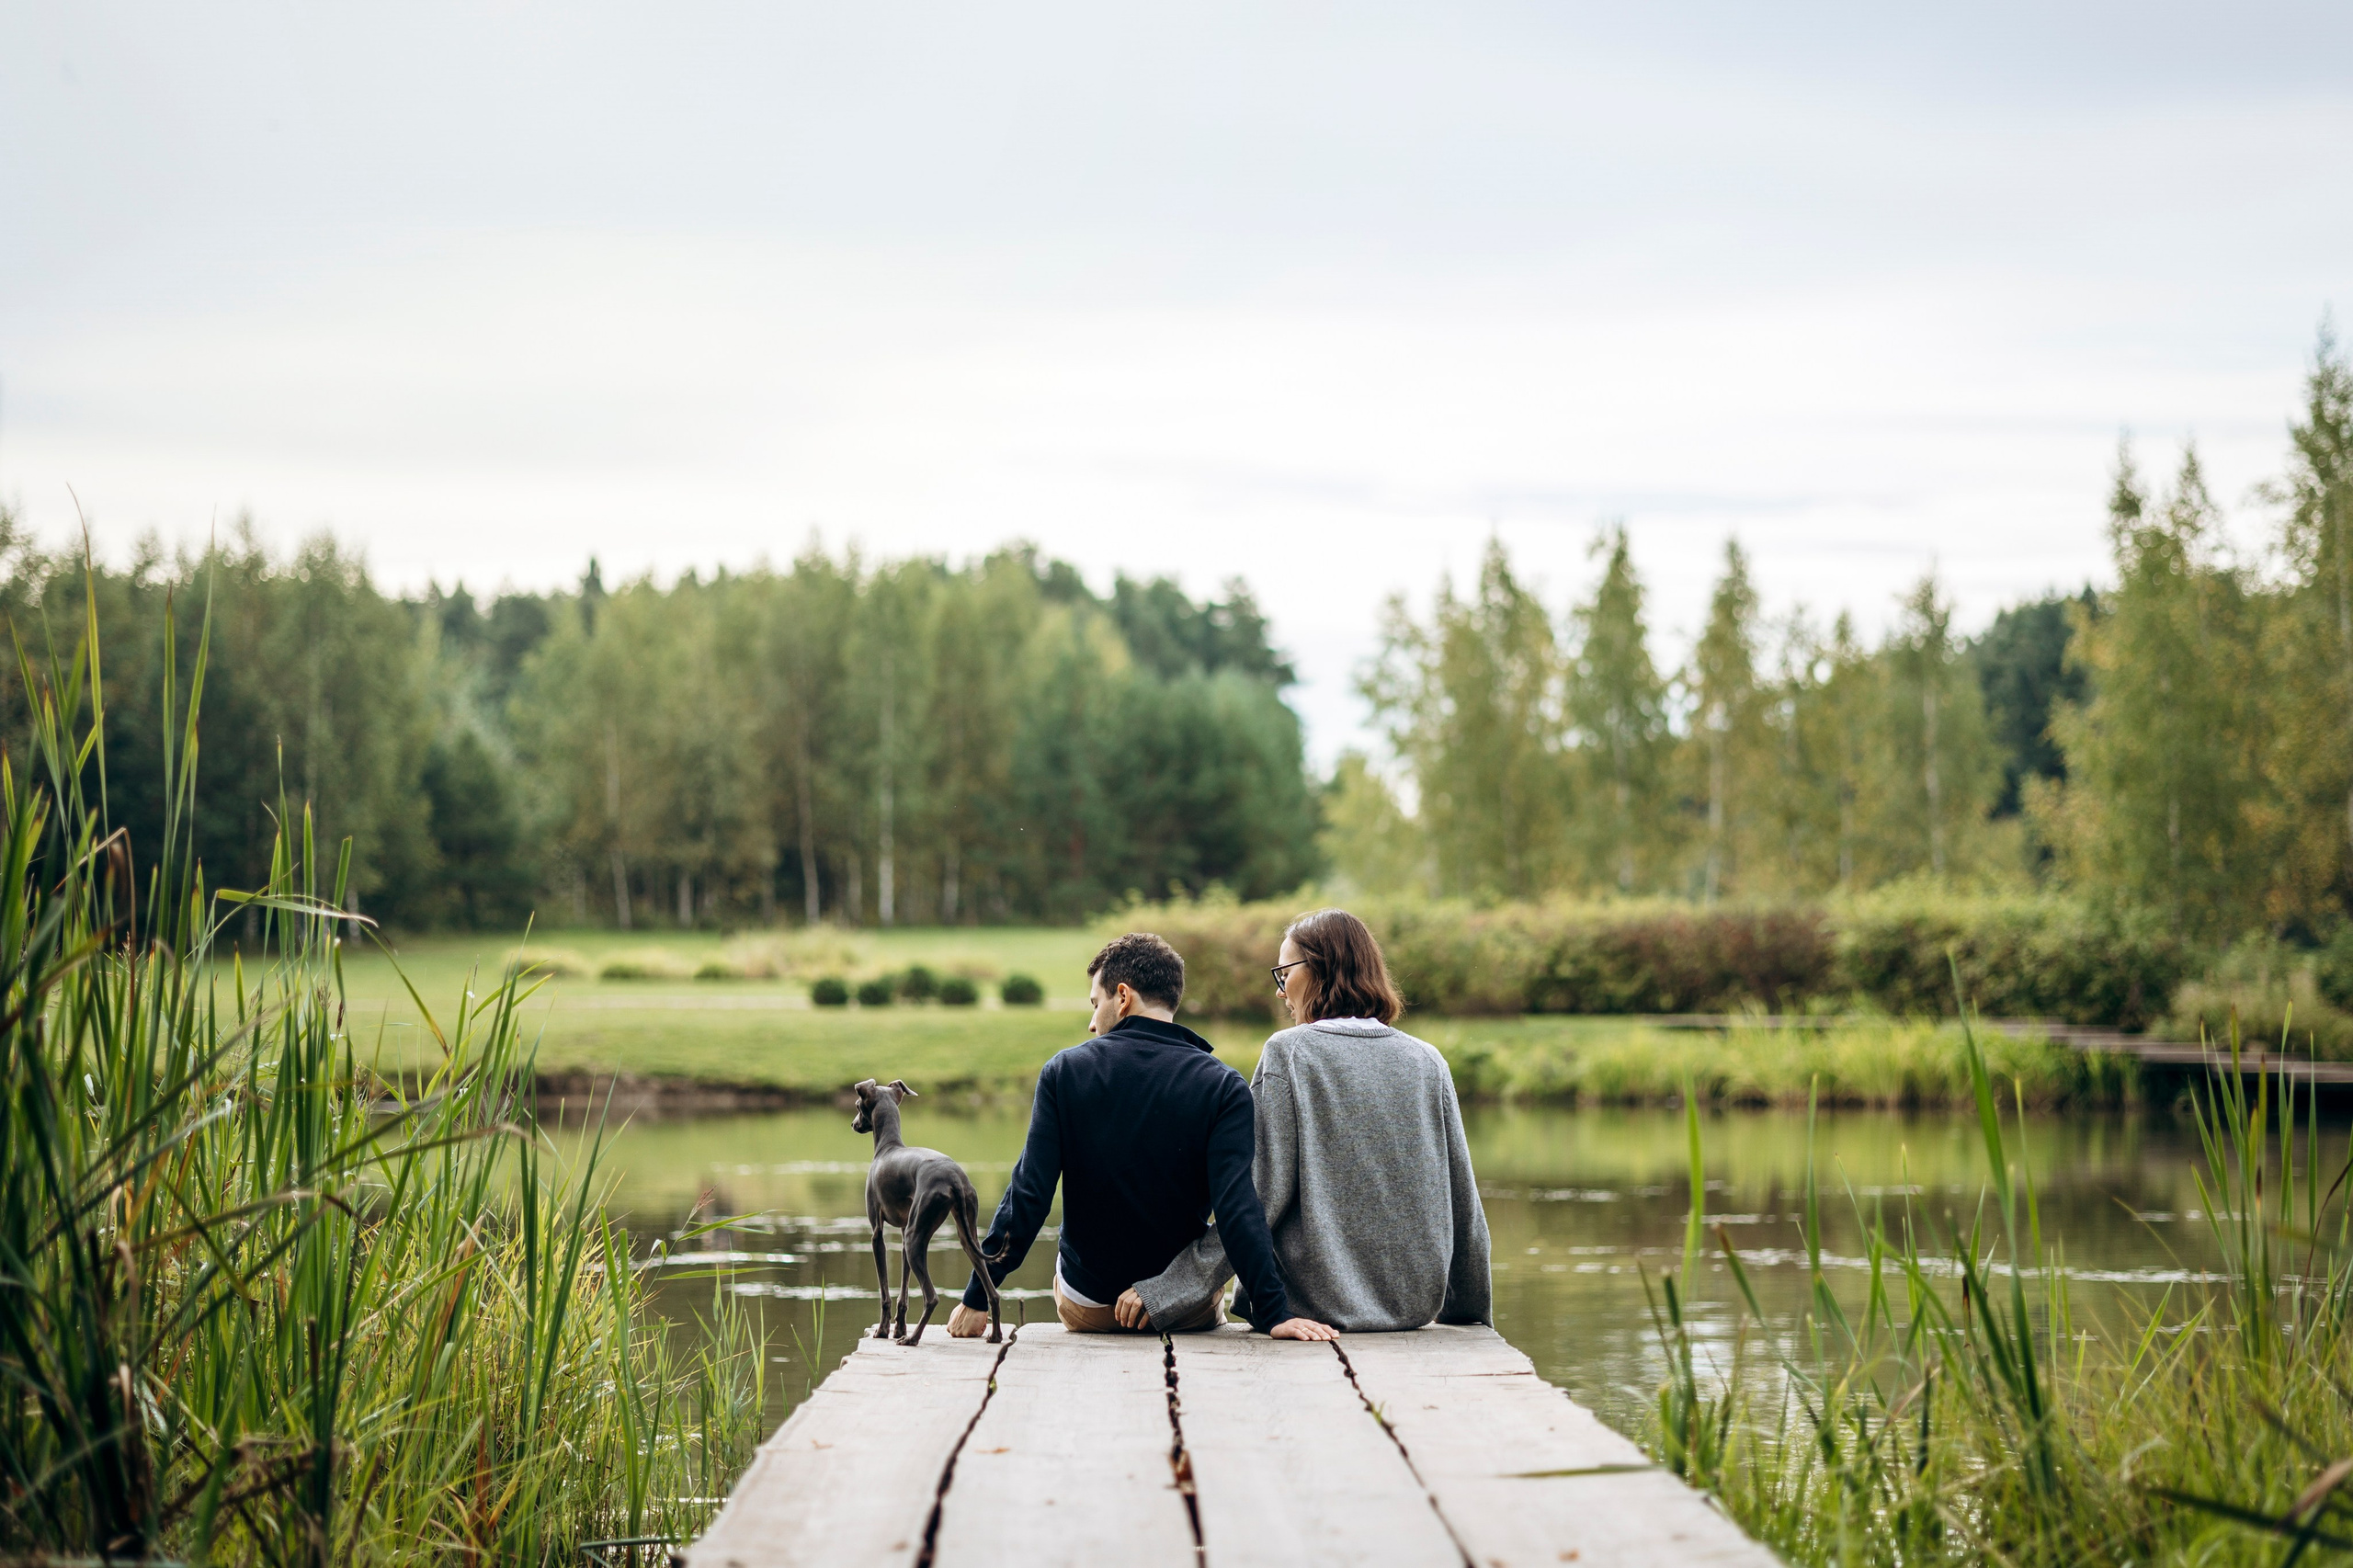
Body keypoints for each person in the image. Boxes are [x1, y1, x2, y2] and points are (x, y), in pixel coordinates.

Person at [948, 932, 1336, 1341]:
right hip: (1182, 1313)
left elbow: (1028, 1197)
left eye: (1096, 1004)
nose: (1092, 1022)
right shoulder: (1223, 1085)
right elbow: (1238, 1209)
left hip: (1088, 1305)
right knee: (1211, 1295)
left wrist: (978, 1296)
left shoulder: (1065, 1072)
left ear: (1123, 996)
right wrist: (1274, 1313)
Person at [1120, 908, 1491, 1333]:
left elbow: (1255, 1197)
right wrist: (1471, 1316)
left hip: (1314, 1309)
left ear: (1319, 969)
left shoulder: (1290, 1053)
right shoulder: (1429, 1061)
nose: (1280, 992)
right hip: (1412, 1310)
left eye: (1284, 973)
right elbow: (1464, 1204)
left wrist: (1169, 1290)